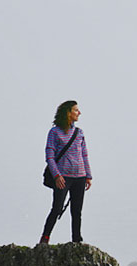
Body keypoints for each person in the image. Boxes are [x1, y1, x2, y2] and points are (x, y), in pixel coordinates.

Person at [39, 100, 92, 245]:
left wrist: (88, 175)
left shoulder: (79, 132)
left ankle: (76, 240)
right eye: (76, 110)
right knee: (57, 208)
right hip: (62, 178)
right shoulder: (54, 132)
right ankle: (45, 238)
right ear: (68, 113)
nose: (79, 113)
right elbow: (49, 156)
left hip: (80, 177)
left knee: (77, 211)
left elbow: (84, 154)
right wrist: (57, 175)